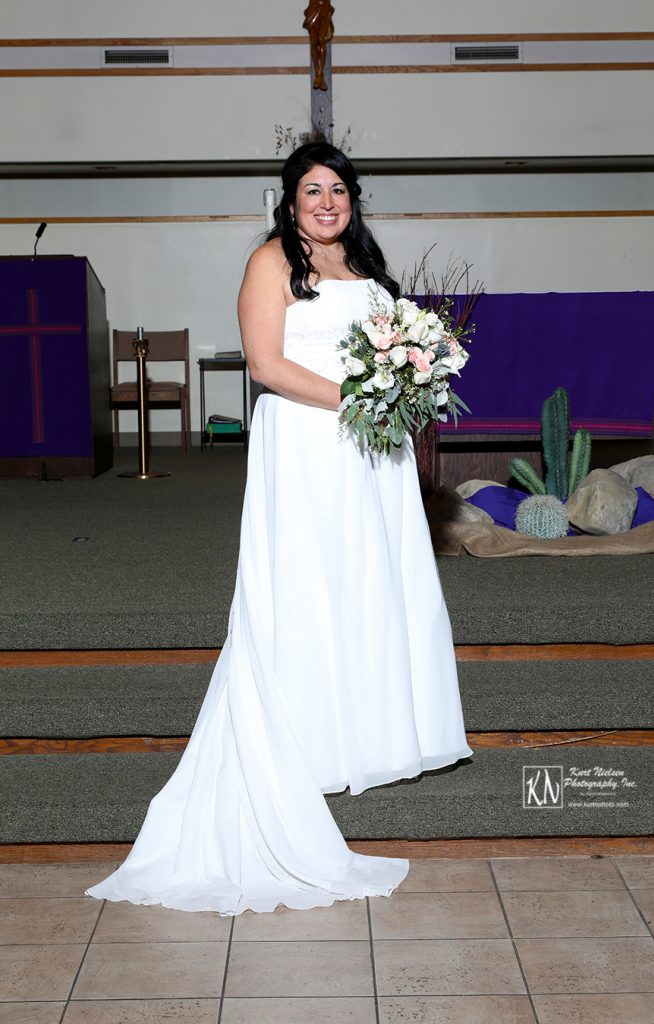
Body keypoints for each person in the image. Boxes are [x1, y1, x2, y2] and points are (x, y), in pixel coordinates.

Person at [85, 142, 473, 916]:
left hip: (373, 453)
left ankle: (359, 731)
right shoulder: (271, 262)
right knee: (305, 581)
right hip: (307, 445)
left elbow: (391, 355)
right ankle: (296, 736)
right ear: (289, 202)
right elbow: (264, 365)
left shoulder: (368, 273)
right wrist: (358, 399)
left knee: (368, 580)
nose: (325, 202)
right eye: (310, 190)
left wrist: (407, 381)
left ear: (352, 200)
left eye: (337, 189)